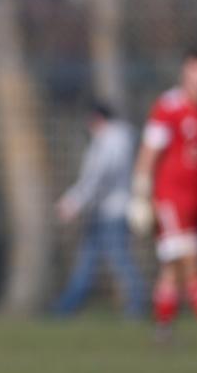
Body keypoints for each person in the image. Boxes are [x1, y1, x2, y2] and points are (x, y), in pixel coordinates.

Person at [129, 48, 197, 344]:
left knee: (172, 269)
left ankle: (162, 327)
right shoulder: (168, 108)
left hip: (196, 202)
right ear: (186, 74)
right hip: (169, 199)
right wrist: (141, 193)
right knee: (191, 262)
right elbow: (148, 152)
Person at [52, 103, 147, 318]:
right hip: (101, 212)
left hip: (113, 212)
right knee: (87, 262)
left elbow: (98, 177)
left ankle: (137, 306)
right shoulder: (116, 140)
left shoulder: (111, 142)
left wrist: (73, 202)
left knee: (120, 261)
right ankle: (66, 307)